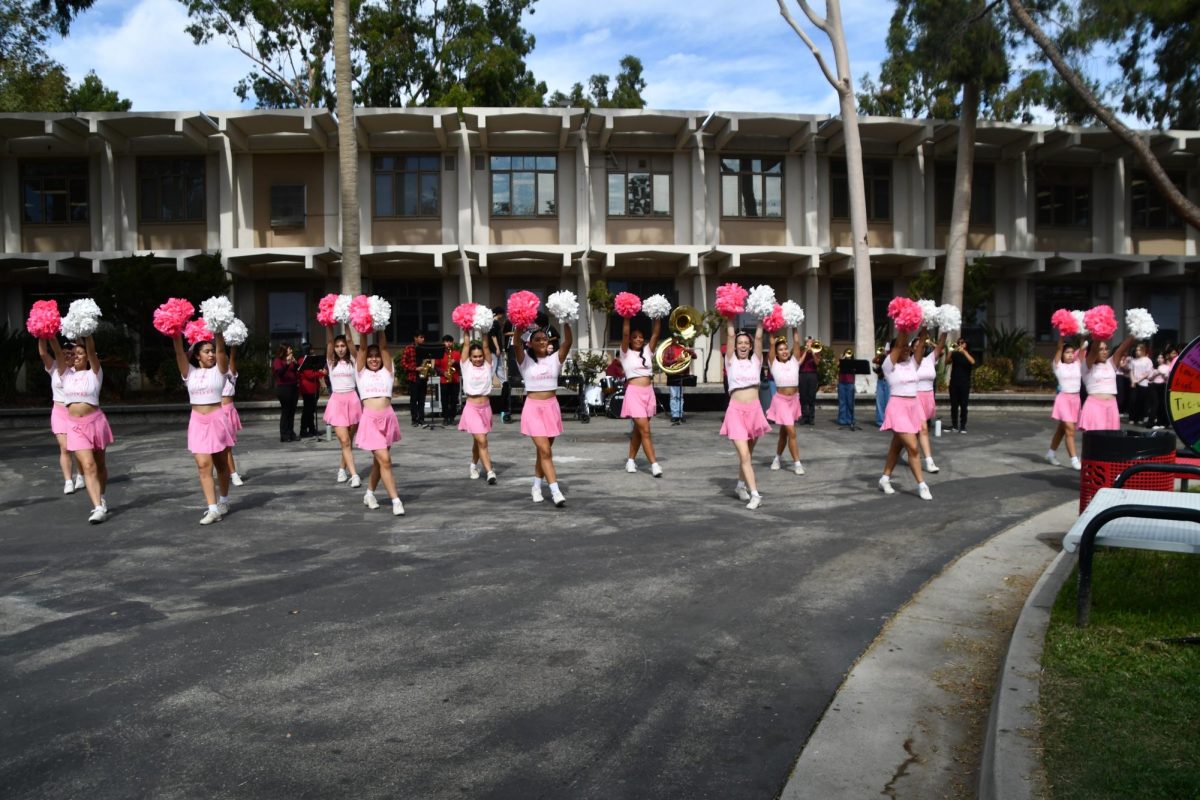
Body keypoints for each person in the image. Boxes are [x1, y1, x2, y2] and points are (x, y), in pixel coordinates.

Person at [172, 331, 235, 525]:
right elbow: (179, 353)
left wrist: (217, 332)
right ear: (197, 355)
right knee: (202, 465)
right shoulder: (189, 372)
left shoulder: (220, 370)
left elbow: (222, 351)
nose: (211, 355)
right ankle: (212, 508)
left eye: (212, 351)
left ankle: (223, 500)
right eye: (206, 351)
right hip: (197, 421)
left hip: (217, 419)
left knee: (222, 465)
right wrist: (175, 332)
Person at [514, 320, 574, 508]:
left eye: (544, 339)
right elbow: (516, 343)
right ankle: (555, 491)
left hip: (551, 408)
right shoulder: (524, 360)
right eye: (537, 339)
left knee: (543, 452)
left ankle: (536, 486)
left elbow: (568, 342)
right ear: (530, 343)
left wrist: (565, 320)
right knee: (546, 451)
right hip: (533, 408)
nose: (541, 342)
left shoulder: (554, 359)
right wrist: (519, 323)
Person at [62, 335, 114, 523]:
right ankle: (97, 507)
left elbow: (91, 350)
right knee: (88, 465)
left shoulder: (94, 373)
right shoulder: (65, 373)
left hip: (95, 422)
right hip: (74, 426)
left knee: (99, 465)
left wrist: (88, 333)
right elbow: (48, 349)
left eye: (80, 353)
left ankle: (102, 496)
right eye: (73, 353)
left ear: (87, 357)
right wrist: (48, 336)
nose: (76, 356)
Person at [353, 328, 404, 516]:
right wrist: (364, 326)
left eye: (377, 356)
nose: (373, 359)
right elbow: (363, 348)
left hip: (388, 418)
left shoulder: (388, 371)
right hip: (370, 420)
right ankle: (396, 500)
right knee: (385, 460)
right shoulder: (360, 373)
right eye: (370, 356)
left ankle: (369, 494)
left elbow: (383, 346)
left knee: (379, 462)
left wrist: (382, 327)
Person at [721, 319, 771, 509]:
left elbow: (759, 337)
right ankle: (755, 494)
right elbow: (731, 335)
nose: (742, 345)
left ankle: (740, 486)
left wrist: (761, 318)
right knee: (744, 455)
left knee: (748, 453)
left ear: (750, 347)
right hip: (735, 412)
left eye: (746, 343)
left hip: (755, 411)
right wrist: (730, 315)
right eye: (739, 343)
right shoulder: (730, 361)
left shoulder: (756, 361)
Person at [878, 331, 932, 501]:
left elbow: (921, 345)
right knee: (913, 447)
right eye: (904, 347)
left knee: (896, 447)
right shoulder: (889, 365)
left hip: (913, 408)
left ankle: (884, 479)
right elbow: (900, 342)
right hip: (898, 408)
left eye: (909, 347)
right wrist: (904, 326)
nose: (908, 349)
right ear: (896, 349)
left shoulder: (913, 364)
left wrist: (924, 327)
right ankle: (922, 485)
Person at [38, 336, 84, 495]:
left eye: (70, 353)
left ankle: (81, 475)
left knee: (78, 447)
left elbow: (82, 351)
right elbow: (44, 352)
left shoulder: (79, 370)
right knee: (65, 447)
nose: (66, 356)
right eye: (63, 353)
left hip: (75, 412)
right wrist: (42, 334)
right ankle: (68, 480)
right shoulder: (55, 367)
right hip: (59, 412)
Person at [620, 316, 664, 476]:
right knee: (645, 430)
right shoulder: (625, 353)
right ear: (630, 340)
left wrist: (657, 316)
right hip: (634, 393)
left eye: (640, 337)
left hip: (649, 393)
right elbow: (625, 334)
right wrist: (626, 317)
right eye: (635, 337)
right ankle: (654, 464)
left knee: (639, 431)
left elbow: (656, 335)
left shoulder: (647, 351)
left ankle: (630, 460)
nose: (638, 339)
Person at [323, 323, 362, 488]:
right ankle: (354, 475)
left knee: (348, 441)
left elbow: (351, 341)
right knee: (344, 440)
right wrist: (329, 323)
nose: (340, 349)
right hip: (337, 401)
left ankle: (341, 469)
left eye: (342, 346)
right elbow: (330, 342)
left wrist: (346, 323)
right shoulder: (331, 361)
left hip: (352, 400)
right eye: (338, 346)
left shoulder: (353, 360)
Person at [458, 334, 498, 484]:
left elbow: (486, 346)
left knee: (478, 441)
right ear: (470, 358)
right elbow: (466, 345)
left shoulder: (488, 365)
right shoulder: (466, 366)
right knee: (482, 440)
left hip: (486, 408)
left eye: (480, 356)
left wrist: (484, 329)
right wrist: (466, 328)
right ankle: (490, 472)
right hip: (472, 408)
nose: (478, 359)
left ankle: (473, 465)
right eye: (474, 357)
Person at [765, 328, 805, 475]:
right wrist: (772, 328)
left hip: (794, 400)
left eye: (785, 348)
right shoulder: (773, 363)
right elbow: (771, 344)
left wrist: (794, 326)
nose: (784, 351)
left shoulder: (794, 361)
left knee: (784, 433)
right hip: (781, 401)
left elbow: (796, 341)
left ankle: (777, 458)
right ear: (776, 352)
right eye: (780, 349)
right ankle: (797, 463)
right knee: (791, 432)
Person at [1078, 334, 1136, 432]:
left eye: (1106, 349)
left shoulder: (1111, 363)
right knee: (1096, 442)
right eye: (1101, 349)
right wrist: (1100, 331)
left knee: (1111, 442)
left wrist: (1136, 331)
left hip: (1112, 406)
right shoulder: (1086, 366)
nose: (1104, 352)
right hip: (1094, 406)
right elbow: (1094, 349)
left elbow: (1122, 348)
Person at [1045, 336, 1082, 469]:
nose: (1070, 355)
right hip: (1064, 399)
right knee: (1070, 430)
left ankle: (1050, 453)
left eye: (1072, 352)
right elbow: (1059, 346)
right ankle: (1074, 460)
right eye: (1067, 352)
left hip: (1076, 399)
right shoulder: (1058, 365)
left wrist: (1083, 333)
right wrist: (1062, 333)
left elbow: (1083, 347)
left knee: (1062, 429)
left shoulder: (1078, 363)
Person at [915, 329, 948, 473]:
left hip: (928, 397)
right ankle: (929, 461)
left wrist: (945, 329)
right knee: (923, 429)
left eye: (921, 345)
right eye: (917, 345)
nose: (920, 347)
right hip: (915, 397)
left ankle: (907, 451)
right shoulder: (911, 362)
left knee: (915, 432)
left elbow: (940, 345)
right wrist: (923, 328)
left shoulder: (930, 359)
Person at [221, 343, 245, 486]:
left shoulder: (231, 373)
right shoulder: (213, 374)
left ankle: (232, 472)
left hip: (229, 410)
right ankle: (232, 473)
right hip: (218, 411)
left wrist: (233, 346)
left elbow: (233, 358)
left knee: (228, 445)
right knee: (221, 446)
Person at [662, 336, 697, 425]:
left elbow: (695, 356)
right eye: (675, 338)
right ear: (672, 339)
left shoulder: (684, 348)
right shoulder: (669, 348)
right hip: (673, 375)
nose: (677, 339)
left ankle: (680, 414)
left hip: (683, 375)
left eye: (678, 337)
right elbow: (665, 361)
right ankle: (675, 415)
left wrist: (689, 351)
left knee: (680, 396)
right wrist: (676, 360)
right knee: (674, 396)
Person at [490, 308, 515, 424]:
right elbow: (493, 337)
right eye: (501, 314)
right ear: (498, 314)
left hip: (497, 350)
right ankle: (488, 382)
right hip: (494, 350)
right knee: (494, 367)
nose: (502, 316)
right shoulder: (494, 323)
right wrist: (497, 348)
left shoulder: (496, 323)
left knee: (499, 368)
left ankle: (504, 381)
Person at [297, 341, 326, 440]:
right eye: (311, 348)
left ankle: (312, 428)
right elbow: (309, 375)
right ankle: (303, 430)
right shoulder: (302, 360)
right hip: (308, 388)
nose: (313, 350)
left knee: (311, 410)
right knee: (307, 410)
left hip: (314, 387)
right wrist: (321, 374)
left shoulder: (310, 359)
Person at [946, 337, 975, 433]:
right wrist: (950, 350)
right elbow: (947, 362)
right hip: (954, 382)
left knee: (963, 405)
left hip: (964, 383)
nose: (960, 344)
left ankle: (962, 426)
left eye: (962, 343)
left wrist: (964, 352)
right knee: (954, 405)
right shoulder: (955, 354)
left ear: (966, 344)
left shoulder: (968, 354)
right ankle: (954, 425)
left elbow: (972, 362)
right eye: (958, 343)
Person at [272, 342, 299, 441]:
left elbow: (297, 370)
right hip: (283, 388)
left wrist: (295, 364)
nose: (291, 350)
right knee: (286, 411)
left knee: (292, 411)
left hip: (293, 387)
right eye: (289, 349)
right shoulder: (277, 361)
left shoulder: (291, 360)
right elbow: (280, 373)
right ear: (284, 350)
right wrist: (287, 364)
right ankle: (284, 434)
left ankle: (291, 432)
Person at [400, 331, 428, 426]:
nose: (423, 339)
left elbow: (428, 361)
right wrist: (415, 368)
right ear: (415, 338)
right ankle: (414, 419)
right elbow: (403, 363)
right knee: (414, 400)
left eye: (423, 337)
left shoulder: (425, 348)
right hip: (413, 377)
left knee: (422, 400)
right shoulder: (409, 348)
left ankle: (421, 418)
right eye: (421, 337)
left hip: (423, 377)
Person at [1128, 342, 1154, 426]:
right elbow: (1131, 371)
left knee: (1141, 401)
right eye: (1136, 350)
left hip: (1144, 383)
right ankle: (1132, 417)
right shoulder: (1133, 361)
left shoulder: (1147, 360)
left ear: (1143, 350)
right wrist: (1133, 381)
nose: (1137, 351)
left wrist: (1139, 380)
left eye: (1139, 350)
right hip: (1134, 383)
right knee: (1133, 400)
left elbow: (1148, 372)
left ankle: (1139, 417)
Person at [437, 334, 461, 426]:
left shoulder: (457, 353)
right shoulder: (440, 353)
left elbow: (462, 365)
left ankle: (452, 417)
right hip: (444, 380)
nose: (448, 343)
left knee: (454, 400)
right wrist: (444, 373)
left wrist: (455, 362)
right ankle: (446, 417)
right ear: (443, 343)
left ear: (452, 342)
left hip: (455, 380)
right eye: (446, 341)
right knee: (444, 400)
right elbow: (436, 367)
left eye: (450, 341)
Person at [796, 336, 820, 425]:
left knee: (811, 396)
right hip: (802, 375)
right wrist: (806, 352)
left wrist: (813, 353)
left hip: (812, 375)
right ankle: (804, 416)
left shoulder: (816, 352)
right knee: (803, 397)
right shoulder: (802, 352)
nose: (809, 344)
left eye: (810, 343)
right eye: (807, 342)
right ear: (805, 343)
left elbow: (817, 363)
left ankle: (811, 417)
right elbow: (799, 363)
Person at [835, 349, 857, 428]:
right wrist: (842, 359)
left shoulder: (853, 362)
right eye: (847, 353)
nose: (848, 355)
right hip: (842, 383)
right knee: (842, 402)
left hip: (850, 383)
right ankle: (842, 419)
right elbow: (837, 365)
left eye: (849, 353)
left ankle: (850, 419)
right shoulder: (842, 361)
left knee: (850, 402)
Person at [873, 342, 892, 428]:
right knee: (879, 401)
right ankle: (880, 421)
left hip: (889, 381)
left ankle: (888, 421)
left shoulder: (892, 357)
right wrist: (880, 354)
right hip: (881, 380)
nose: (887, 352)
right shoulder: (882, 357)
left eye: (888, 350)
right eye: (886, 350)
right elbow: (874, 360)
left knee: (889, 401)